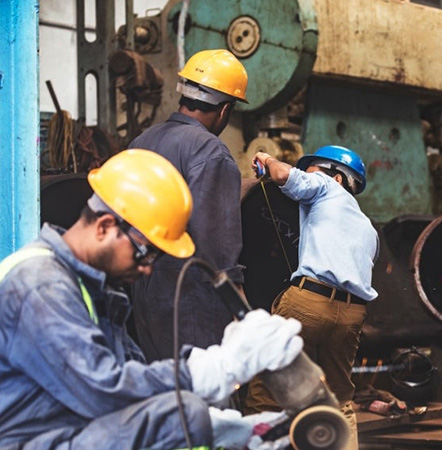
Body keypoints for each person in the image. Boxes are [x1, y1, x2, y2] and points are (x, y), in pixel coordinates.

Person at [0, 149, 304, 449]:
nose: (147, 268)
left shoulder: (91, 289)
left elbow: (136, 379)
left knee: (187, 415)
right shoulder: (41, 284)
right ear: (105, 226)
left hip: (60, 430)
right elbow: (105, 392)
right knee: (181, 418)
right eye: (145, 252)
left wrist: (226, 428)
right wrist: (219, 367)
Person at [244, 146, 379, 450]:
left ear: (339, 178)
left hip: (310, 302)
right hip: (352, 315)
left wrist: (265, 158)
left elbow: (281, 175)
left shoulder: (327, 187)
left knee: (267, 387)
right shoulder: (369, 229)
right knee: (340, 399)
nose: (307, 176)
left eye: (312, 171)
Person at [129, 49, 250, 362]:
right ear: (225, 110)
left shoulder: (142, 141)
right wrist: (241, 308)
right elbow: (216, 245)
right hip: (191, 297)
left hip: (144, 290)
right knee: (205, 396)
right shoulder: (209, 150)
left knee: (164, 388)